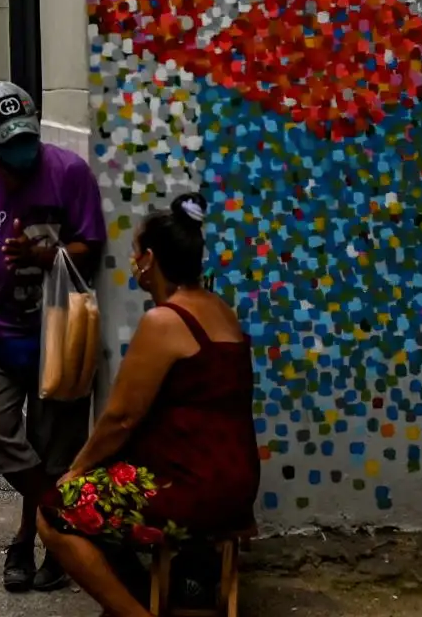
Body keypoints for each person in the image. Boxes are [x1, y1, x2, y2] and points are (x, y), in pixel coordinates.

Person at [36, 195, 259, 617]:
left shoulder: (165, 321)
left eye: (136, 252)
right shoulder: (221, 310)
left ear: (150, 259)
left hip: (191, 490)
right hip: (236, 485)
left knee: (57, 509)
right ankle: (141, 596)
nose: (133, 260)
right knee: (107, 487)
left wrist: (77, 469)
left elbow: (120, 418)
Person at [0, 81, 106, 594]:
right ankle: (60, 517)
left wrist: (47, 255)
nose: (21, 152)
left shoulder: (69, 172)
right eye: (9, 143)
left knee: (53, 450)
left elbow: (92, 247)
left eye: (27, 139)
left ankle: (32, 543)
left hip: (59, 331)